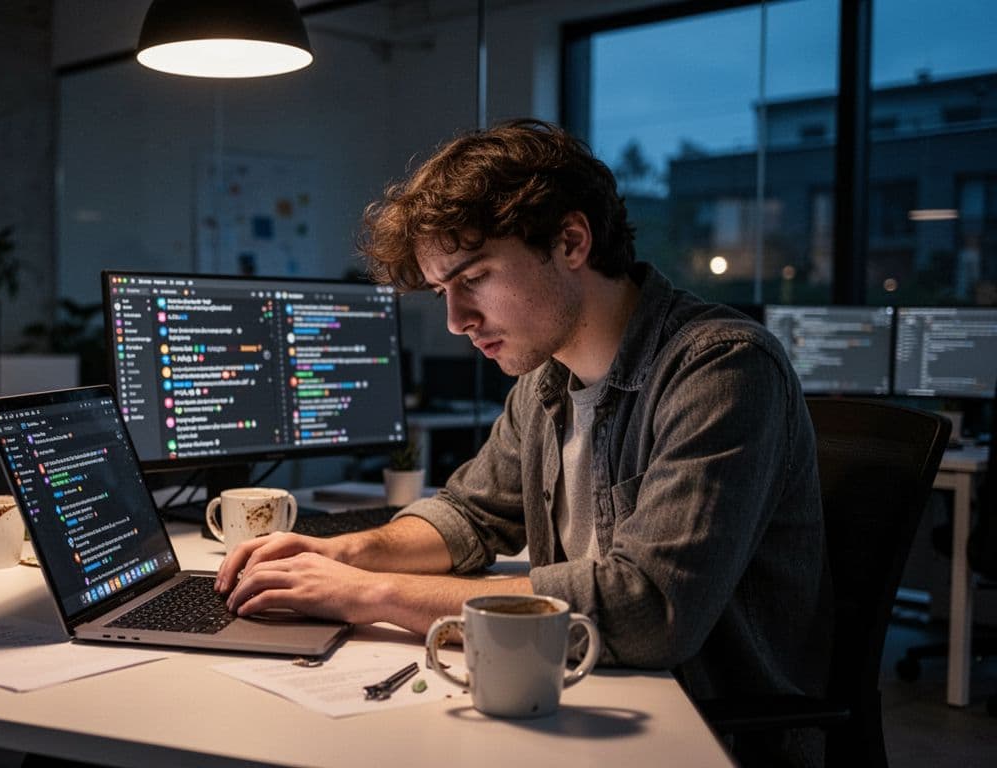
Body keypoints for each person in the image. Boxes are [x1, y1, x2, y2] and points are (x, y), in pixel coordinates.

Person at [216, 119, 830, 764]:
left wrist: (371, 593)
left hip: (700, 729)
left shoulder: (721, 367)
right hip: (581, 687)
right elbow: (470, 514)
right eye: (442, 292)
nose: (456, 320)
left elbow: (648, 609)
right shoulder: (546, 378)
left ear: (570, 241)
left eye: (473, 277)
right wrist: (346, 552)